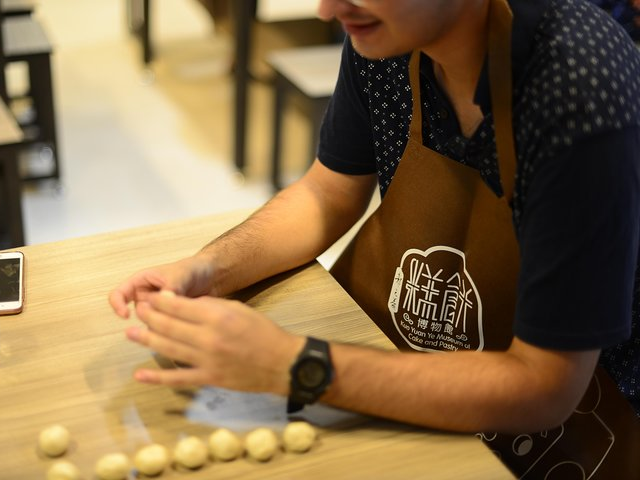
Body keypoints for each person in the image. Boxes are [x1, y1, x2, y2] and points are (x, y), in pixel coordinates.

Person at [110, 0, 640, 476]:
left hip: (570, 424)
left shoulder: (577, 81)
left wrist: (297, 365)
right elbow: (328, 192)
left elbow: (545, 387)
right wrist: (211, 269)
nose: (325, 10)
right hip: (415, 364)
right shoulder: (386, 33)